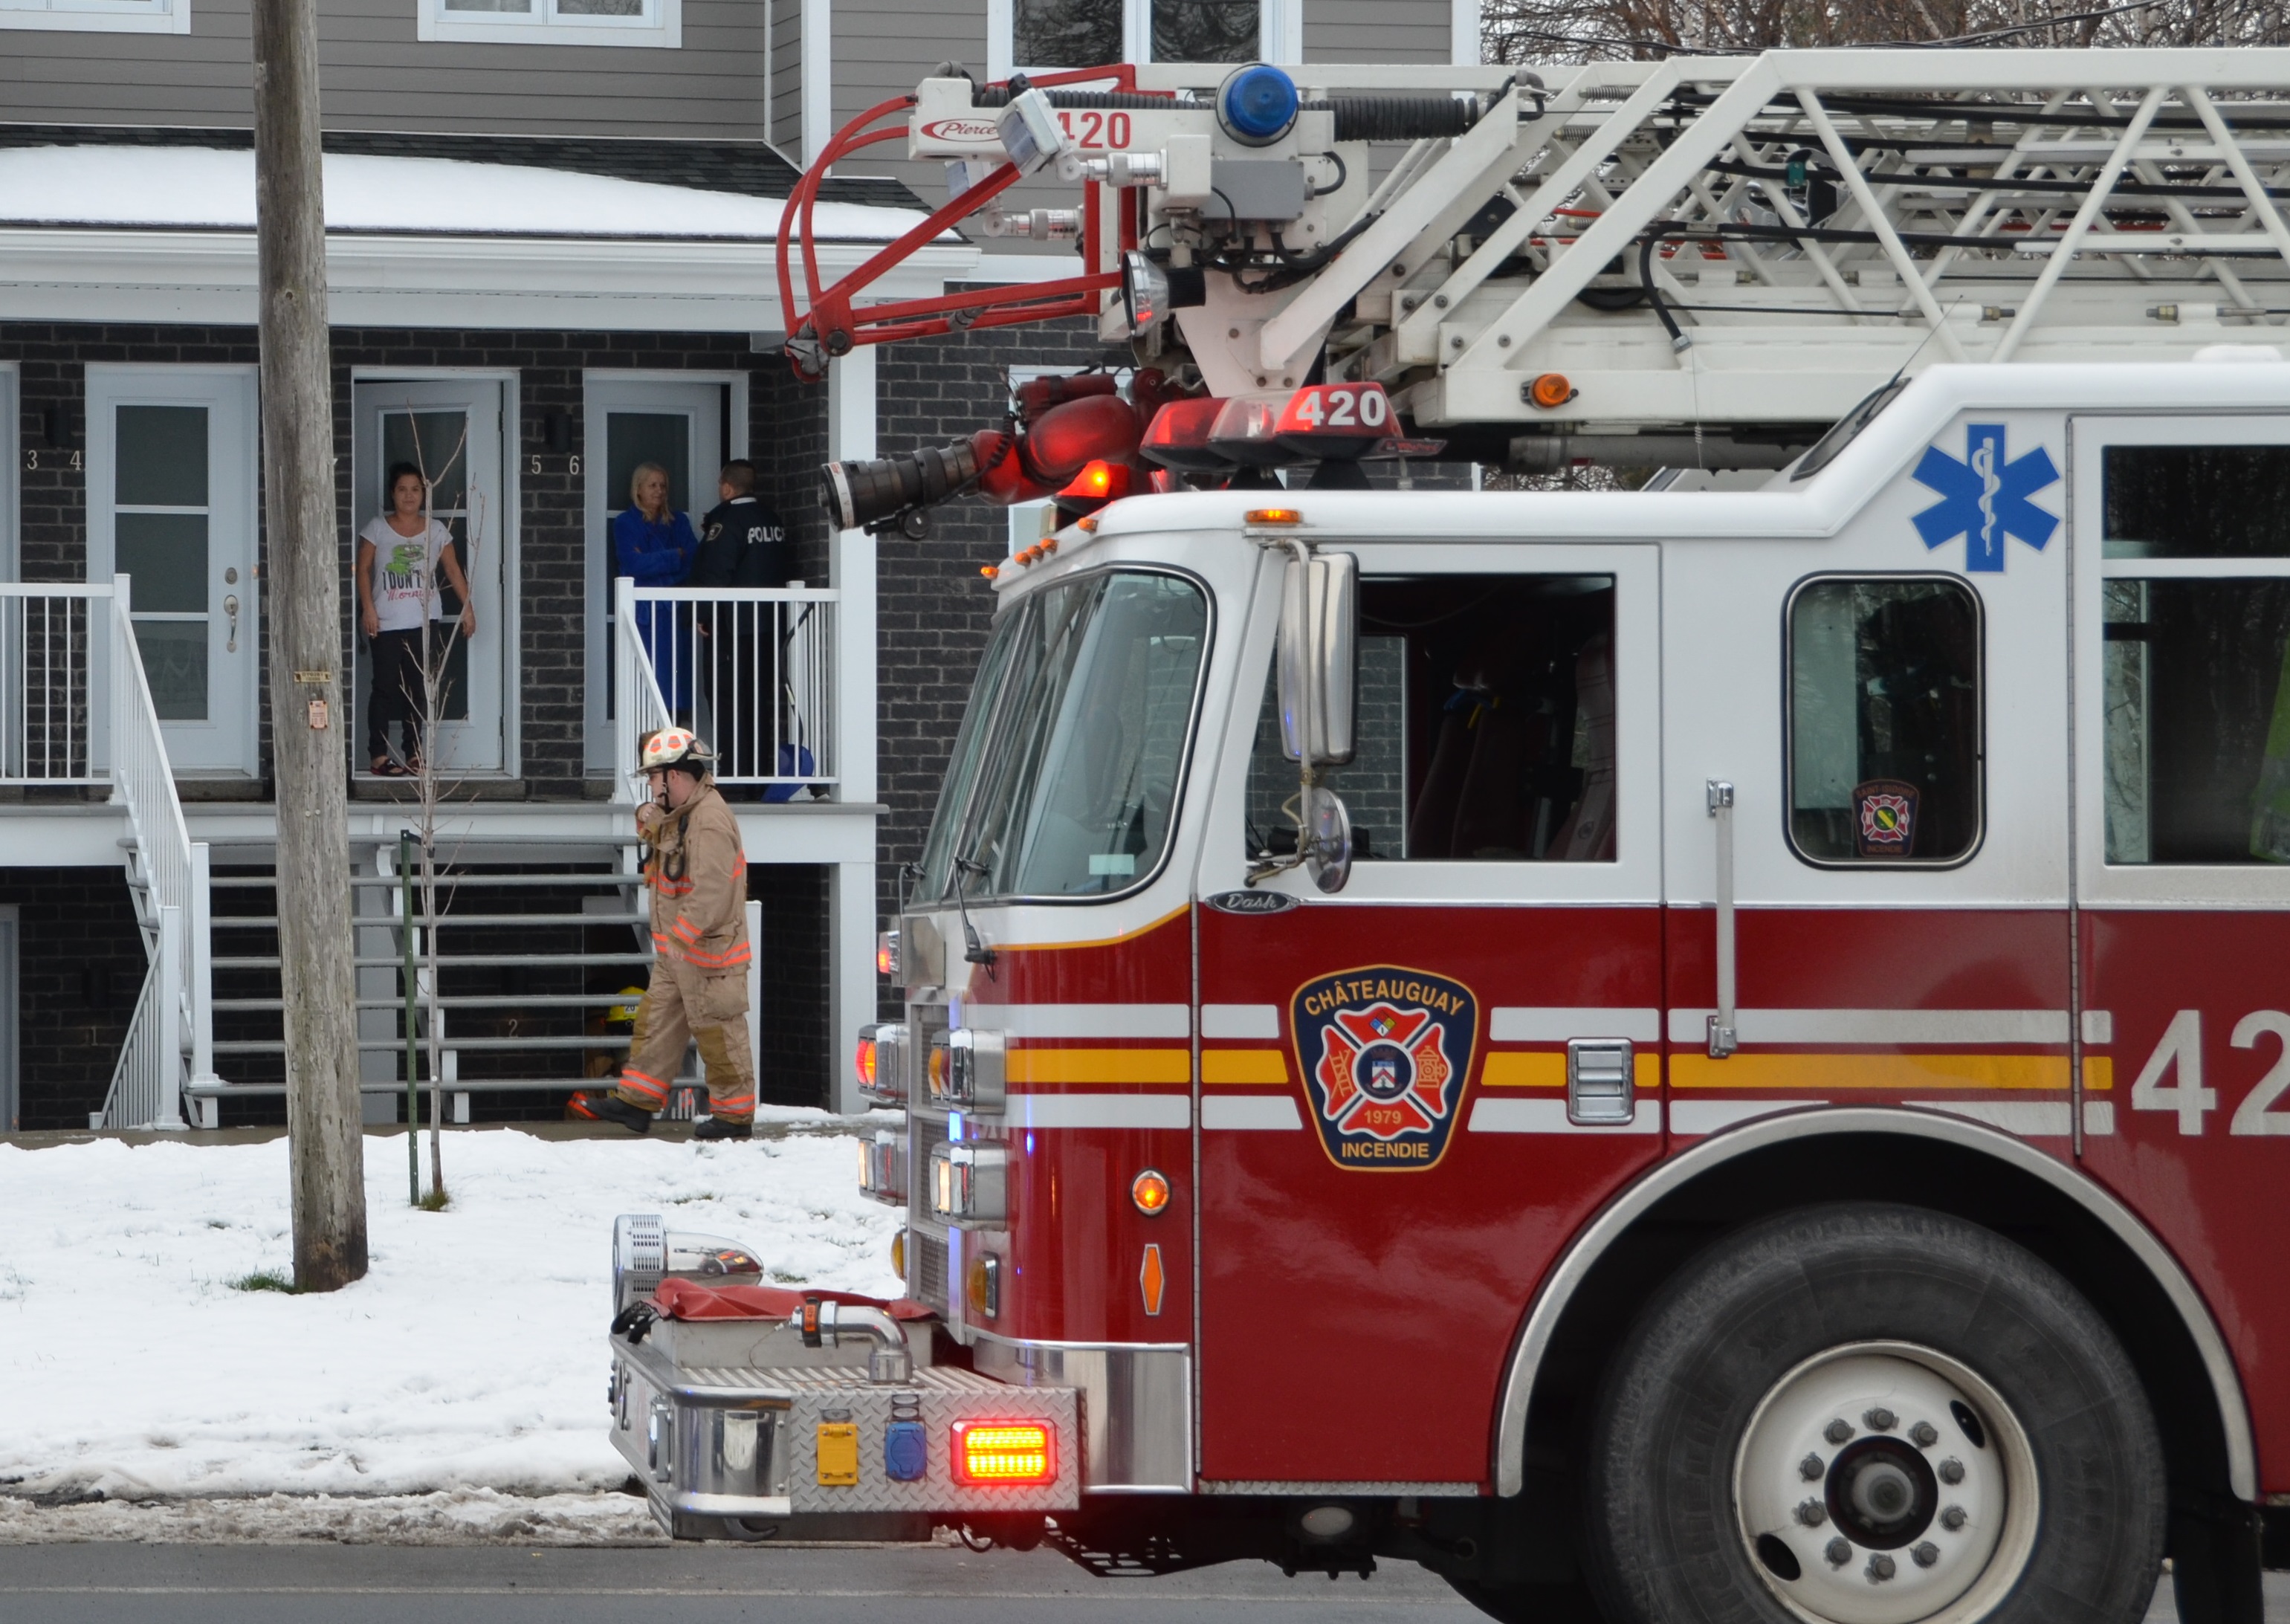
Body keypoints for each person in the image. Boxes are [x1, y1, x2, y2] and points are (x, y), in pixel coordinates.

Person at [572, 728, 757, 1140]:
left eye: (654, 778)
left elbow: (711, 891)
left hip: (708, 956)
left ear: (673, 776)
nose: (652, 787)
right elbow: (665, 837)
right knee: (656, 1024)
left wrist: (679, 939)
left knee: (720, 1036)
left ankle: (734, 1117)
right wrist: (649, 815)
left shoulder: (709, 821)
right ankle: (636, 1101)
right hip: (681, 956)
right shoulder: (686, 813)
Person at [355, 462, 474, 777]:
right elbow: (362, 571)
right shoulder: (376, 529)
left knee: (418, 689)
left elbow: (452, 571)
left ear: (424, 494)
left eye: (415, 489)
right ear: (393, 494)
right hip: (386, 622)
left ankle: (415, 754)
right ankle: (378, 756)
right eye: (402, 489)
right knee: (383, 688)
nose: (409, 495)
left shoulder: (435, 530)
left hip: (424, 622)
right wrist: (368, 609)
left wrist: (468, 609)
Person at [690, 460, 795, 789]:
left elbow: (716, 574)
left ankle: (733, 778)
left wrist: (704, 615)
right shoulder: (772, 520)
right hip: (768, 628)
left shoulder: (729, 521)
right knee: (758, 702)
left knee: (727, 702)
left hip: (731, 629)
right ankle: (757, 778)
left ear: (727, 487)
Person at [612, 462, 699, 715]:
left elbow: (692, 560)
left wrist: (656, 563)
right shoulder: (625, 523)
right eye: (652, 485)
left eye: (663, 485)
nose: (659, 491)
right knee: (647, 679)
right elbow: (633, 563)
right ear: (637, 489)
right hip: (645, 616)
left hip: (676, 614)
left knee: (677, 681)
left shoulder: (679, 522)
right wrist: (675, 556)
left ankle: (676, 742)